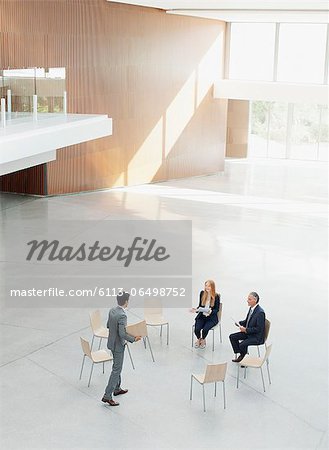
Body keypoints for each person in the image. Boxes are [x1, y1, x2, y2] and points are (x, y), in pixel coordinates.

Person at [102, 291, 141, 406]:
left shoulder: (112, 310)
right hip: (118, 346)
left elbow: (108, 325)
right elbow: (122, 334)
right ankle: (107, 395)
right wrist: (134, 338)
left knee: (116, 367)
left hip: (111, 343)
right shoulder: (122, 315)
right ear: (126, 301)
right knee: (116, 370)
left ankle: (117, 388)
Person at [229, 292, 265, 363]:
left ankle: (243, 357)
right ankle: (242, 354)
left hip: (256, 337)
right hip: (249, 332)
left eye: (249, 299)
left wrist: (246, 330)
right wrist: (239, 323)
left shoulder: (260, 313)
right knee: (232, 337)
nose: (247, 301)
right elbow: (247, 321)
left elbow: (258, 329)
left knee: (242, 344)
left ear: (255, 300)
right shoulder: (251, 308)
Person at [191, 280, 220, 349]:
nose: (207, 287)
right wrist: (196, 310)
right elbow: (200, 306)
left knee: (205, 329)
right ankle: (199, 339)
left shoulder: (216, 296)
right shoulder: (202, 293)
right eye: (206, 285)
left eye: (209, 286)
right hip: (202, 316)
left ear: (212, 287)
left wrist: (211, 312)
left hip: (211, 318)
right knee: (197, 329)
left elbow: (217, 310)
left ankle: (203, 339)